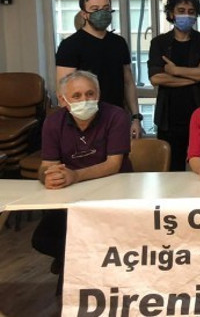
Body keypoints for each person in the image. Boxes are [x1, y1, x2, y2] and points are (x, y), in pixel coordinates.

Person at [32, 70, 133, 293]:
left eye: (90, 94)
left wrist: (75, 175)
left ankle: (85, 276)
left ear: (98, 94)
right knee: (43, 238)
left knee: (104, 237)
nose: (84, 100)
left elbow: (113, 164)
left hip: (114, 193)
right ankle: (74, 268)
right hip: (71, 197)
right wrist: (49, 175)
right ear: (63, 100)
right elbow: (47, 164)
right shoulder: (53, 122)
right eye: (76, 96)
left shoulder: (116, 116)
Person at [55, 0, 143, 138]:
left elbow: (128, 82)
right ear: (84, 14)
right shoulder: (70, 45)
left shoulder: (119, 43)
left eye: (106, 8)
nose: (102, 13)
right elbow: (63, 89)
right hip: (84, 121)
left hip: (116, 117)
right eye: (95, 9)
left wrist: (135, 118)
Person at [149, 0, 200, 172]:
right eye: (181, 11)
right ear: (171, 14)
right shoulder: (159, 43)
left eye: (191, 12)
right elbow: (156, 78)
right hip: (169, 117)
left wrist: (175, 71)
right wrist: (196, 75)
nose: (186, 15)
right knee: (172, 169)